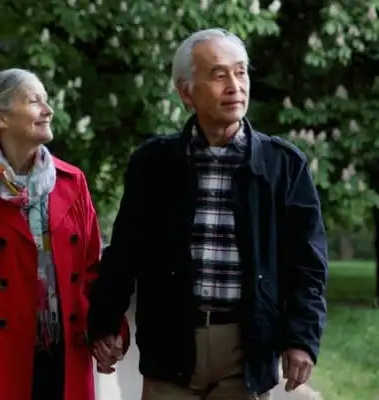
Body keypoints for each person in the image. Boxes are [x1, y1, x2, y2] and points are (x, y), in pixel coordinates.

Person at [87, 28, 329, 399]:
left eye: (241, 72)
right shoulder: (154, 163)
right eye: (219, 75)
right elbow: (126, 252)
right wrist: (105, 322)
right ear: (186, 92)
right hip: (170, 343)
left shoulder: (283, 165)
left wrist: (301, 338)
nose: (235, 86)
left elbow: (307, 263)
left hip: (247, 347)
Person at [0, 68, 129, 400]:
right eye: (34, 101)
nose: (48, 110)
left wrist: (107, 328)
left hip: (64, 359)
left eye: (46, 100)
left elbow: (91, 271)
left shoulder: (73, 182)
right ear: (0, 117)